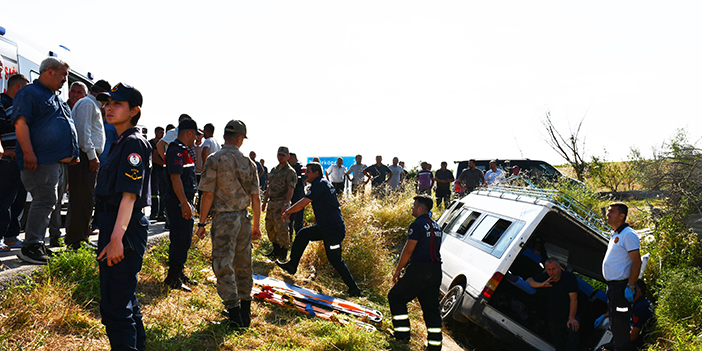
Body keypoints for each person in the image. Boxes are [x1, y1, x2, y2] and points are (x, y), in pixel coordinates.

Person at [93, 83, 150, 351]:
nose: (109, 107)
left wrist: (116, 239)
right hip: (114, 223)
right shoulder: (119, 141)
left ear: (134, 111)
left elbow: (129, 196)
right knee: (125, 298)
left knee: (115, 306)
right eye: (107, 103)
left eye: (117, 104)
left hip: (122, 228)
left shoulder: (133, 143)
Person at [12, 57, 79, 264]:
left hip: (56, 163)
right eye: (64, 75)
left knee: (50, 201)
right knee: (44, 200)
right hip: (40, 161)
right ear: (49, 72)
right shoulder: (30, 93)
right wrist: (29, 152)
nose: (65, 80)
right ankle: (30, 246)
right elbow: (21, 123)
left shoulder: (54, 96)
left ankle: (38, 244)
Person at [196, 119, 261, 329]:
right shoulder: (250, 163)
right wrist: (256, 226)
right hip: (244, 219)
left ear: (224, 136)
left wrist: (202, 222)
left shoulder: (215, 159)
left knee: (223, 264)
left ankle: (234, 316)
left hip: (224, 219)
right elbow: (256, 198)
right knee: (243, 264)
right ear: (240, 139)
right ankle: (245, 312)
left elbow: (207, 194)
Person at [277, 162, 361, 297]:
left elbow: (303, 203)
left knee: (335, 259)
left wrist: (287, 212)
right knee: (303, 234)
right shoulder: (322, 183)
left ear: (316, 173)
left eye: (308, 172)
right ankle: (292, 265)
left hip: (334, 231)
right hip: (324, 226)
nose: (305, 174)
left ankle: (354, 289)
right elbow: (329, 202)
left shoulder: (320, 184)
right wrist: (318, 215)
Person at [388, 195, 443, 350]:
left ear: (420, 208)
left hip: (420, 270)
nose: (412, 207)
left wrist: (398, 269)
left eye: (414, 205)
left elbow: (408, 250)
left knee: (396, 297)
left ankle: (402, 336)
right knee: (431, 309)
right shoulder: (436, 226)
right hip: (436, 270)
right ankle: (435, 346)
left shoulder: (417, 224)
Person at [65, 79, 111, 250]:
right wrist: (92, 156)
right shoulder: (87, 104)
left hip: (87, 157)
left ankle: (80, 236)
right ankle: (75, 240)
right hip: (85, 157)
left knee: (86, 199)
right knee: (81, 199)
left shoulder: (93, 105)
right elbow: (83, 133)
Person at [163, 118, 199, 292]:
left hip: (184, 200)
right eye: (195, 135)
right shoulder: (176, 150)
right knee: (180, 238)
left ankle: (179, 272)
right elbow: (175, 178)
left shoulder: (184, 150)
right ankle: (173, 277)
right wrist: (184, 203)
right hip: (179, 202)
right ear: (189, 133)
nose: (196, 139)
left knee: (183, 238)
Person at [602, 202, 642, 351]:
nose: (608, 214)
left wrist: (630, 286)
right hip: (612, 288)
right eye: (608, 211)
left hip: (621, 288)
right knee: (615, 325)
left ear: (621, 215)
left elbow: (636, 262)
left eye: (611, 212)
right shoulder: (615, 234)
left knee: (620, 326)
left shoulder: (628, 235)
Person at [0, 74, 29, 251]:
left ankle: (11, 236)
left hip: (20, 159)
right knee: (4, 200)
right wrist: (4, 150)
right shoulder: (2, 103)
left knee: (19, 199)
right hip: (7, 160)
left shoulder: (17, 105)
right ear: (18, 87)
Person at [526, 258, 580, 351]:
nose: (551, 272)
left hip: (569, 314)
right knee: (559, 344)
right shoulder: (546, 277)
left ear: (559, 268)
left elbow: (573, 299)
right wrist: (541, 284)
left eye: (554, 269)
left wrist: (571, 318)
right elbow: (528, 281)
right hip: (554, 317)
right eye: (549, 270)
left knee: (573, 334)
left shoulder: (569, 277)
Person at [595, 279, 653, 351]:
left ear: (637, 291)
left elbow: (633, 336)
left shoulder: (640, 308)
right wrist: (604, 316)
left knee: (601, 349)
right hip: (636, 340)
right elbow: (621, 311)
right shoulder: (642, 302)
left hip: (637, 345)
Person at [262, 146, 297, 261]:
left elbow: (290, 189)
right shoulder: (274, 170)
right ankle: (275, 250)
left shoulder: (290, 171)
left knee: (282, 228)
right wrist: (265, 201)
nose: (280, 157)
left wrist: (286, 204)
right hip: (272, 203)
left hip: (282, 202)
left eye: (283, 155)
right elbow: (269, 187)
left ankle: (283, 252)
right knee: (269, 226)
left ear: (288, 157)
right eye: (279, 154)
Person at [148, 126, 165, 221]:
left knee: (162, 192)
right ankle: (154, 212)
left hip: (161, 170)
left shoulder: (163, 143)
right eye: (161, 133)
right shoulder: (151, 143)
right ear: (156, 133)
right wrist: (164, 164)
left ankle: (161, 213)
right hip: (153, 170)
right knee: (154, 193)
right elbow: (153, 157)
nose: (162, 135)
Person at [287, 152, 305, 238]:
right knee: (294, 219)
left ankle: (296, 237)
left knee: (295, 218)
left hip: (297, 194)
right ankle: (292, 237)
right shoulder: (294, 167)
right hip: (296, 195)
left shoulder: (297, 167)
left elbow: (297, 182)